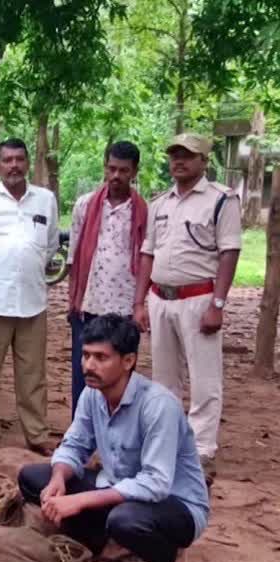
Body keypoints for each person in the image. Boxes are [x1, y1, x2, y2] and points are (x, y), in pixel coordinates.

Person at [18, 314, 208, 562]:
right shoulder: (93, 394)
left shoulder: (159, 406)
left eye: (101, 357)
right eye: (86, 356)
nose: (89, 365)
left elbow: (155, 484)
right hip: (117, 488)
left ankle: (171, 561)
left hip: (174, 504)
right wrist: (58, 479)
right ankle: (115, 546)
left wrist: (79, 500)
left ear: (128, 361)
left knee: (126, 520)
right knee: (33, 479)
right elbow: (75, 445)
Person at [133, 133, 241, 483]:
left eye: (187, 156)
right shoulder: (160, 203)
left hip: (199, 299)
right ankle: (168, 441)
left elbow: (229, 252)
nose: (178, 161)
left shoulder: (221, 200)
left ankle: (201, 449)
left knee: (204, 378)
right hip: (161, 299)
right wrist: (140, 301)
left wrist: (218, 304)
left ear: (203, 161)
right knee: (163, 379)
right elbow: (148, 252)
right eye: (174, 155)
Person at [0, 138, 59, 452]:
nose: (14, 165)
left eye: (20, 159)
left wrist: (26, 269)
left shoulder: (45, 200)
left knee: (33, 375)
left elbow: (50, 246)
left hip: (33, 302)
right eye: (7, 160)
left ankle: (37, 436)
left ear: (28, 162)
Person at [66, 141, 148, 418]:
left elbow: (148, 257)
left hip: (125, 309)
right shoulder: (85, 206)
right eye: (111, 168)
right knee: (85, 374)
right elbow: (74, 256)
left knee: (120, 375)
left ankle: (119, 435)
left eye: (123, 170)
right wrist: (73, 300)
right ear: (105, 167)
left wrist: (139, 306)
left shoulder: (144, 212)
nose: (116, 176)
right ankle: (81, 434)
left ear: (134, 171)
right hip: (89, 305)